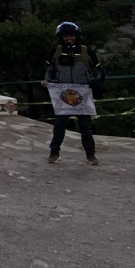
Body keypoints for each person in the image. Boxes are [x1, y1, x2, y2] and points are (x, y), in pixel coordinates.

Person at [41, 21, 105, 165]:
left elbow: (98, 70)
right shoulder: (56, 52)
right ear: (61, 37)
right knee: (59, 125)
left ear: (77, 36)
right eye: (66, 36)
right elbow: (50, 69)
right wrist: (46, 79)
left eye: (71, 35)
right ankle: (54, 152)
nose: (69, 38)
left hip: (83, 95)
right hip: (62, 95)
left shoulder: (86, 52)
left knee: (86, 127)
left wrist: (95, 81)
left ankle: (91, 155)